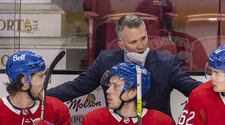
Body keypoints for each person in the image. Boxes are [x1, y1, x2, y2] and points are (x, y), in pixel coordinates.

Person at [47, 14, 202, 119]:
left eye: (143, 38)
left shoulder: (166, 63)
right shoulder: (106, 60)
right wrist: (40, 96)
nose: (141, 45)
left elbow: (192, 88)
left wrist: (219, 93)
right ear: (121, 44)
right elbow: (77, 87)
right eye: (133, 42)